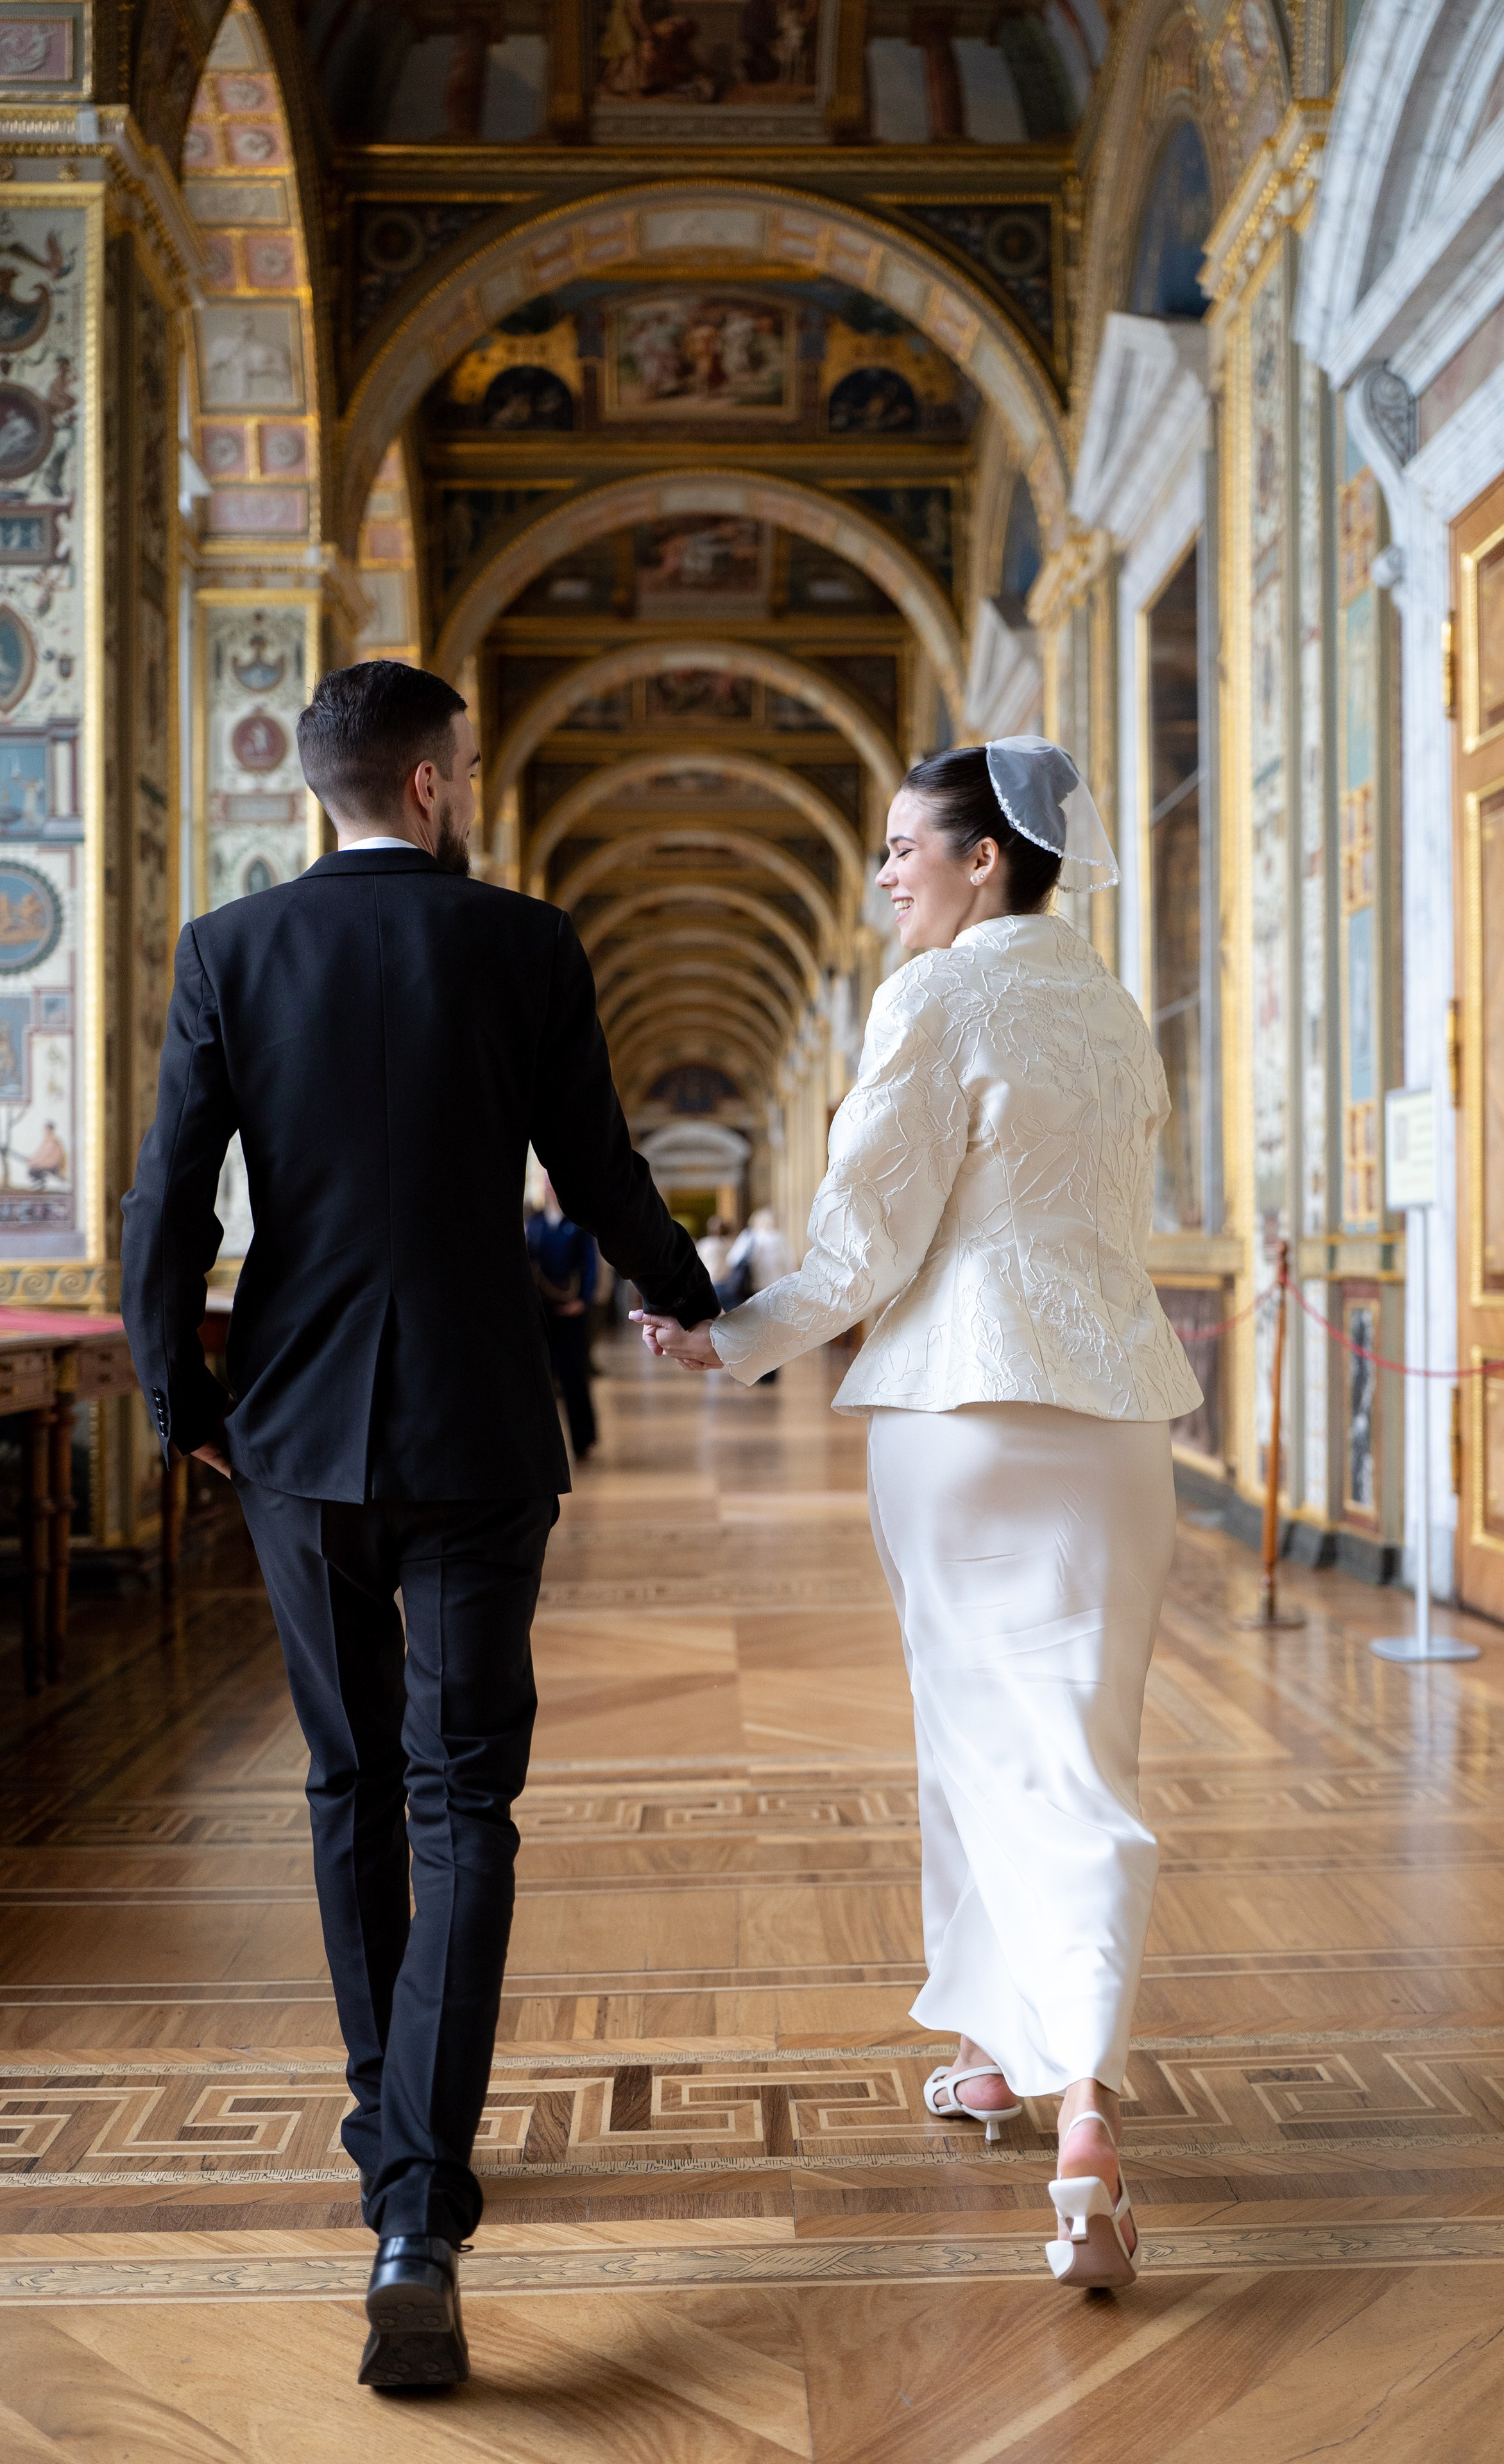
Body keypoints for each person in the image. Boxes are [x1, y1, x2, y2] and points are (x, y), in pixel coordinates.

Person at [119, 660, 718, 2388]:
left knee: (347, 1781)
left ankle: (396, 2143)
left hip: (297, 1438)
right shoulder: (524, 944)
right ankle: (418, 2206)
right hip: (474, 1430)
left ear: (323, 789)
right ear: (439, 785)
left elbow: (171, 1199)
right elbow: (601, 1173)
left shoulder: (233, 951)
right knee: (469, 1800)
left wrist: (185, 1412)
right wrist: (706, 1315)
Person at [634, 737, 1201, 2291]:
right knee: (1080, 1746)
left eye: (905, 848)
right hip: (1113, 1413)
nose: (887, 874)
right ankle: (1049, 2080)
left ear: (985, 861)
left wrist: (730, 1336)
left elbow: (868, 1237)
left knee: (966, 1734)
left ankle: (1027, 2067)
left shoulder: (935, 994)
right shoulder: (1108, 1010)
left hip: (958, 1411)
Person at [527, 1180, 600, 1460]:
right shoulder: (535, 1224)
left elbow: (589, 1264)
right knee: (541, 1381)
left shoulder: (577, 1224)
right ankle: (541, 1447)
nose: (549, 1190)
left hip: (572, 1311)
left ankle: (584, 1439)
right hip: (542, 1312)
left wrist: (583, 1299)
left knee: (574, 1376)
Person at [724, 1204, 793, 1382]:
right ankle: (771, 1373)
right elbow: (790, 1267)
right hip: (777, 1292)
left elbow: (732, 1259)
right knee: (773, 1334)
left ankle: (753, 1371)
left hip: (753, 1292)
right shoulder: (780, 1239)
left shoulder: (749, 1237)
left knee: (753, 1332)